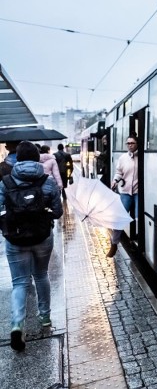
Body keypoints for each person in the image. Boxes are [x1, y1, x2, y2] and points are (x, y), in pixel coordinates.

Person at [0, 141, 63, 351]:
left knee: (20, 283)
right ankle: (45, 317)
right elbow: (58, 211)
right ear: (38, 158)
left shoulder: (6, 182)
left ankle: (17, 324)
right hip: (42, 237)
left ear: (17, 158)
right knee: (41, 275)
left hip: (15, 239)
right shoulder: (47, 181)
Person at [108, 135, 138, 258]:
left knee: (138, 218)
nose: (130, 145)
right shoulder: (123, 158)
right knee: (119, 219)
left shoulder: (142, 157)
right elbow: (118, 172)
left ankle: (136, 243)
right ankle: (114, 244)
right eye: (128, 143)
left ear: (137, 144)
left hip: (138, 192)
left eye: (132, 143)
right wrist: (115, 180)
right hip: (125, 191)